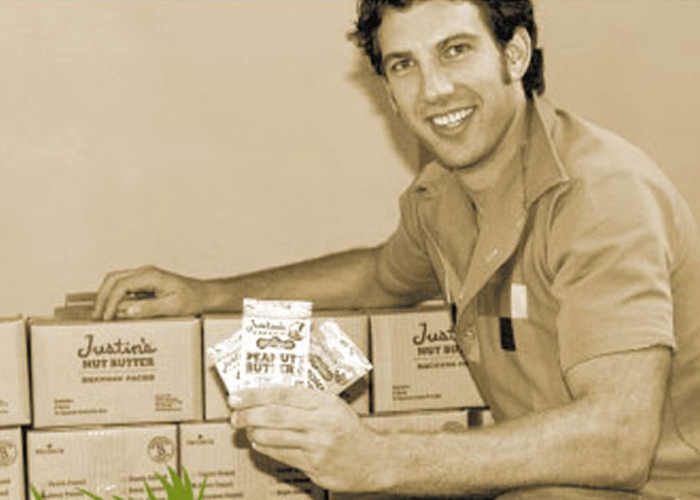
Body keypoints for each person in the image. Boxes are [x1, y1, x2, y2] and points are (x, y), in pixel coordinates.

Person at [92, 1, 700, 498]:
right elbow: (380, 276)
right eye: (403, 64)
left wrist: (381, 457)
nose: (434, 89)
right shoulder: (440, 196)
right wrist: (207, 293)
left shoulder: (601, 197)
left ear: (514, 54)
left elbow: (619, 439)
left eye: (455, 50)